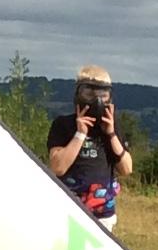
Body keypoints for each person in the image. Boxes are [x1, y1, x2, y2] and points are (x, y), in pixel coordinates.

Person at [45, 66, 133, 232]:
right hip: (69, 210)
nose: (96, 101)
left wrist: (111, 134)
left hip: (103, 215)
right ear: (79, 95)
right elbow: (58, 167)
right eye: (89, 94)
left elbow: (126, 169)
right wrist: (80, 134)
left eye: (103, 95)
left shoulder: (111, 127)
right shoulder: (63, 125)